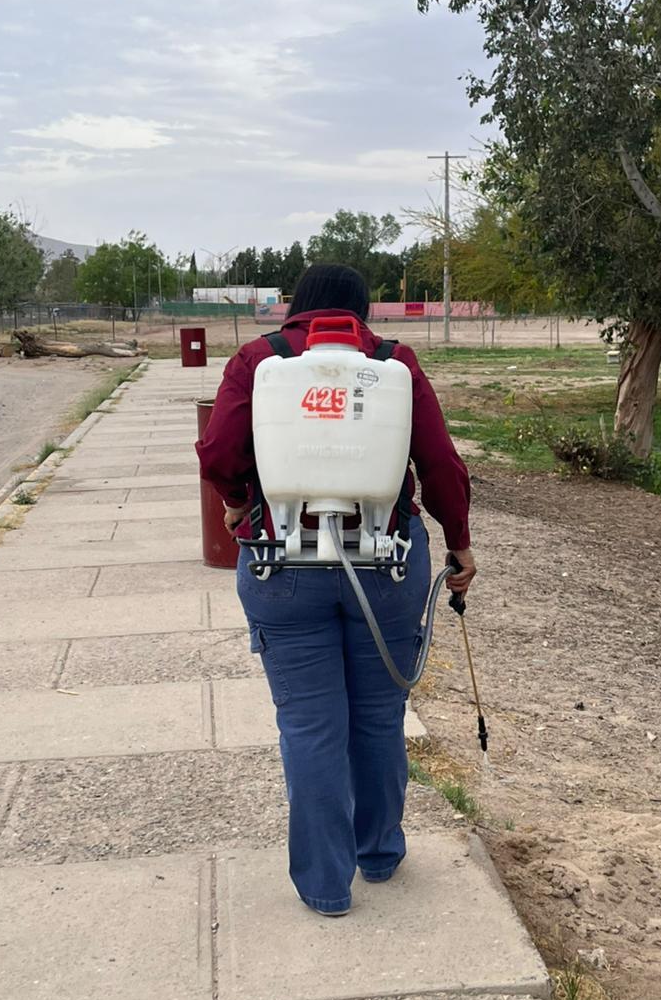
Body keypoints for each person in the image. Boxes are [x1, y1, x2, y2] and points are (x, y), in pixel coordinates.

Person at [196, 264, 476, 917]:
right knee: (378, 715)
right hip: (386, 563)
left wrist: (238, 501)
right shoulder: (393, 364)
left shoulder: (258, 361)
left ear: (296, 305)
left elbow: (218, 453)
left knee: (309, 724)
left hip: (282, 564)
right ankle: (378, 853)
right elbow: (439, 463)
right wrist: (459, 541)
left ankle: (325, 885)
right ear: (361, 311)